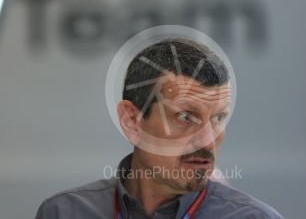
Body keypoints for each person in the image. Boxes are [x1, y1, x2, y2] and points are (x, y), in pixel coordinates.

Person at [35, 38, 283, 219]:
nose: (208, 141)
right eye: (185, 116)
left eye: (218, 118)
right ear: (132, 121)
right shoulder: (63, 212)